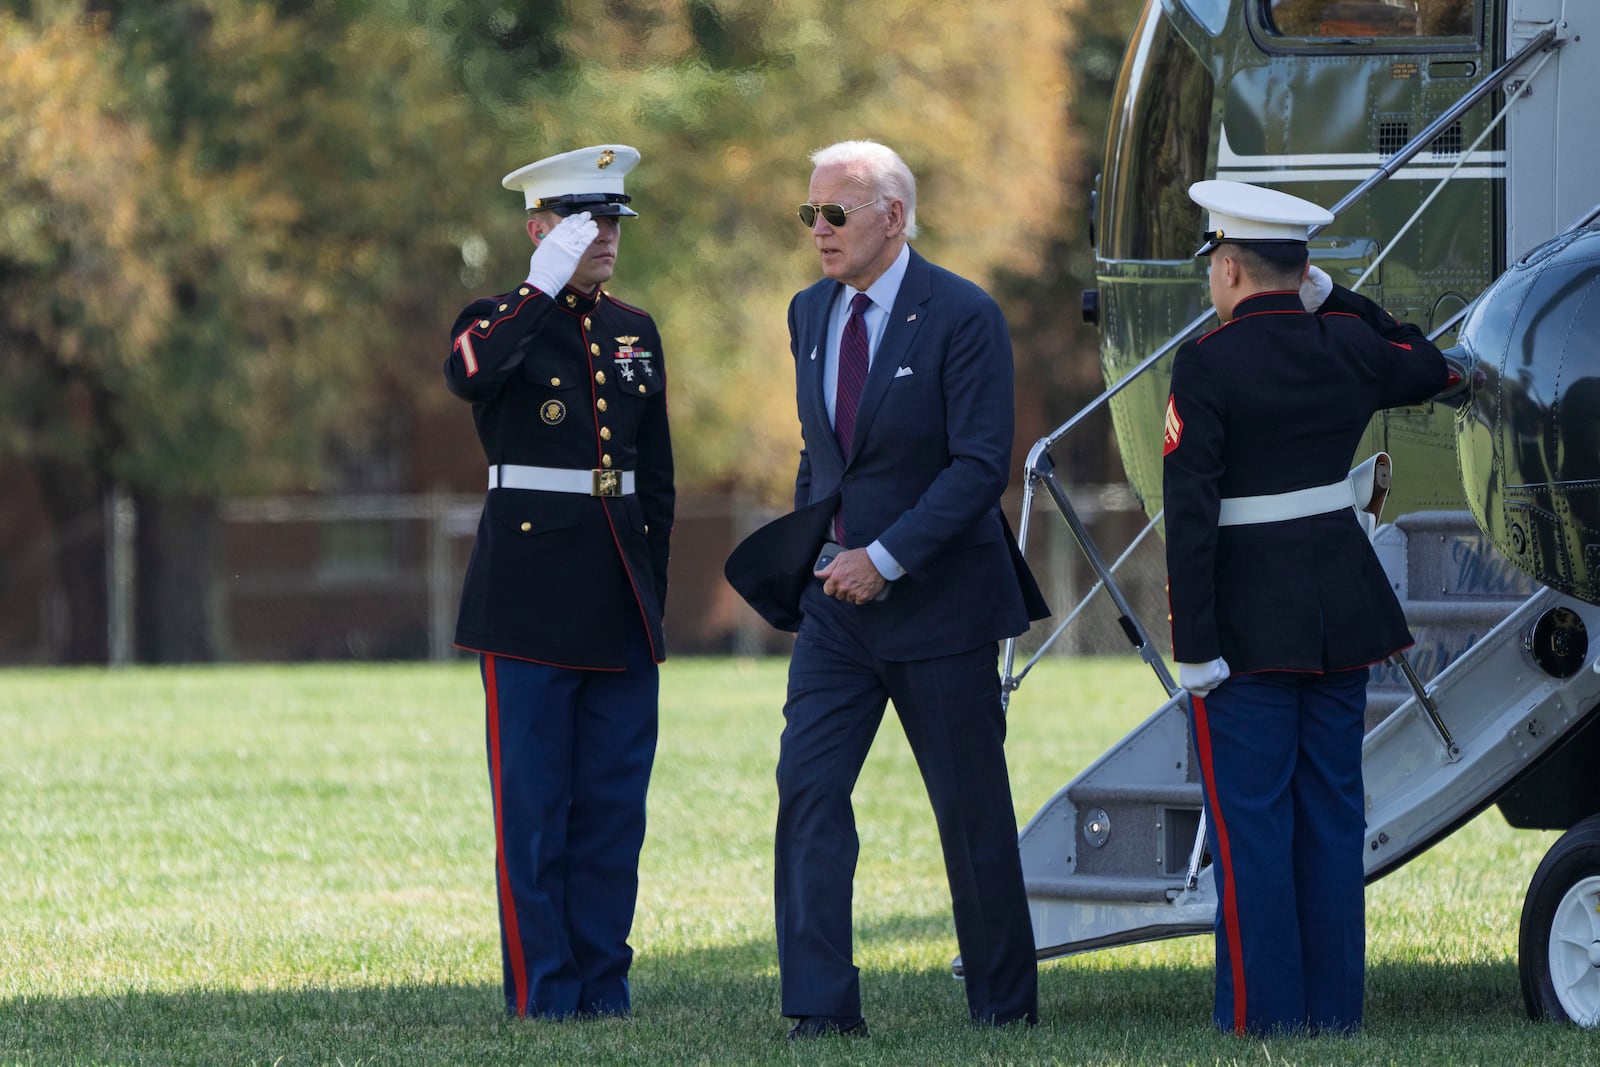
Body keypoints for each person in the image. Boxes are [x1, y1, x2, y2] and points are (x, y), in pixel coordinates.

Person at [760, 139, 1049, 1039]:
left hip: (941, 605)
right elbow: (823, 454)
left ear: (892, 213)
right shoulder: (809, 312)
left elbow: (977, 468)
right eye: (809, 214)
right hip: (834, 614)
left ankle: (1004, 1007)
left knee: (970, 814)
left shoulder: (963, 314)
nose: (819, 231)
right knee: (807, 792)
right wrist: (815, 551)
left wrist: (883, 557)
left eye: (835, 213)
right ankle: (818, 1006)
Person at [1163, 179, 1449, 1035]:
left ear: (1230, 265)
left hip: (1245, 629)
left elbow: (1192, 515)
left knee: (1252, 833)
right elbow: (1426, 361)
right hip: (1337, 614)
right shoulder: (1347, 345)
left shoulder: (1207, 363)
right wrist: (1338, 298)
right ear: (1304, 270)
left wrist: (1194, 645)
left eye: (1216, 260)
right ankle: (1334, 1016)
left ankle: (1262, 1021)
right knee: (1332, 821)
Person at [442, 144, 674, 1020]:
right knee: (534, 815)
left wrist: (650, 593)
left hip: (617, 596)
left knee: (612, 814)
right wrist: (538, 290)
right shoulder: (497, 317)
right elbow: (469, 377)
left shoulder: (634, 330)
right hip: (527, 603)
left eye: (613, 220)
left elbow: (658, 480)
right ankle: (544, 994)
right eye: (585, 221)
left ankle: (603, 990)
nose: (605, 236)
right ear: (540, 228)